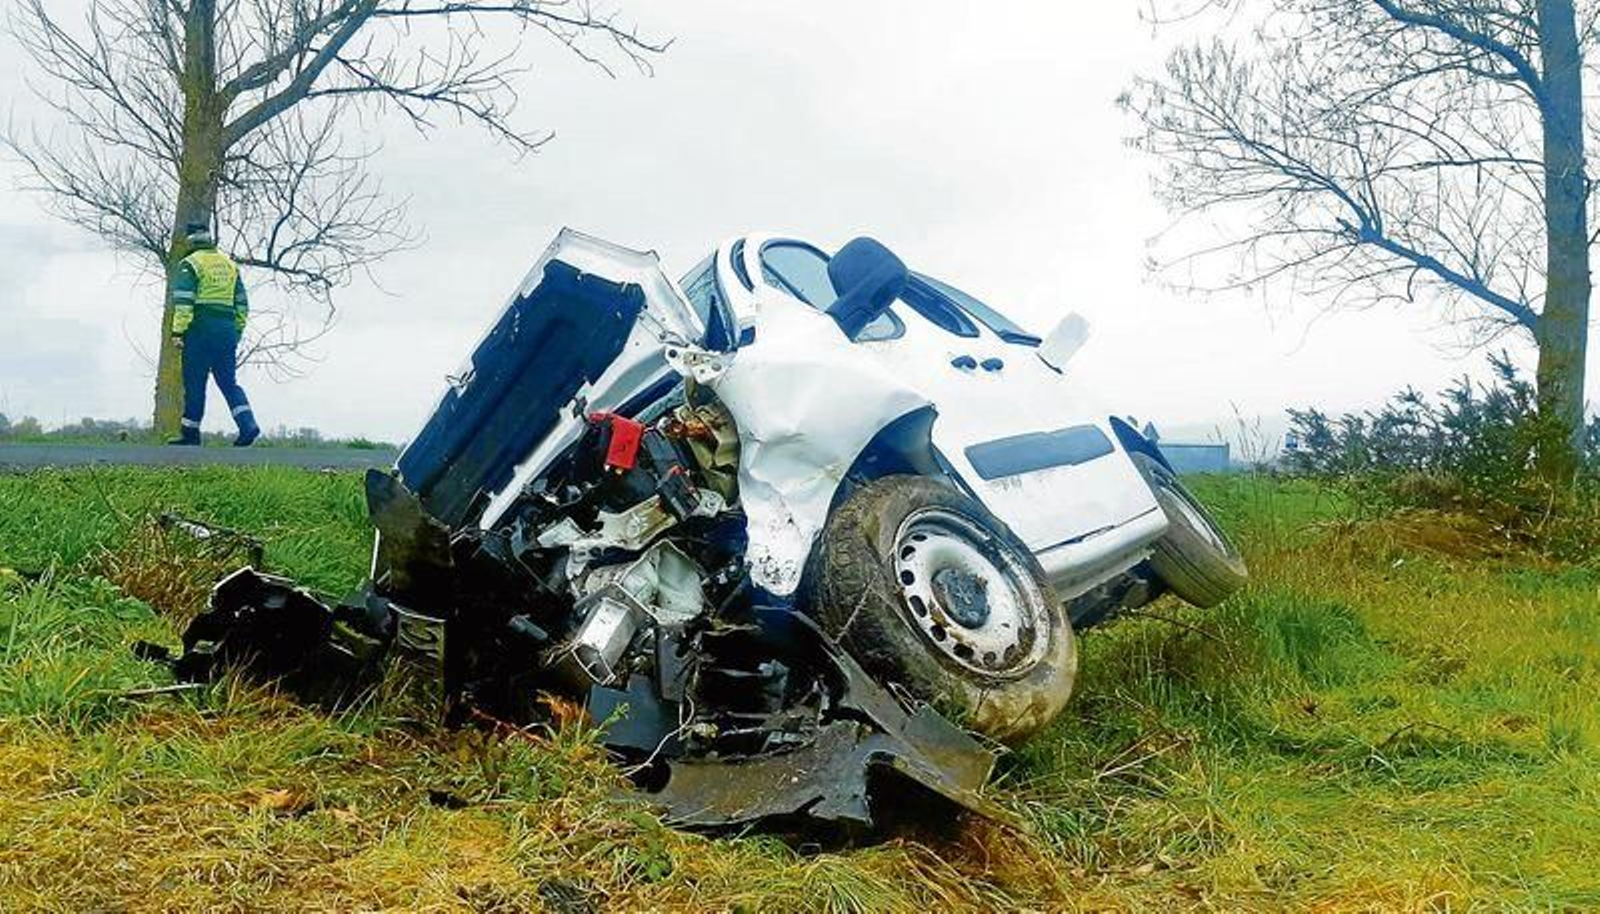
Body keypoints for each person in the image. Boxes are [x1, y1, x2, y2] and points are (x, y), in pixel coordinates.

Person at [167, 222, 261, 447]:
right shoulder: (229, 265)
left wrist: (177, 331)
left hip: (200, 328)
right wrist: (236, 331)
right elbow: (242, 304)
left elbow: (184, 300)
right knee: (228, 381)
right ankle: (247, 424)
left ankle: (190, 434)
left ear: (189, 242)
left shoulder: (190, 264)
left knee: (195, 381)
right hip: (226, 328)